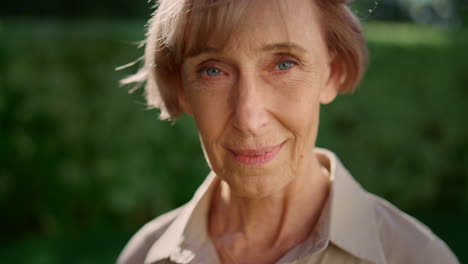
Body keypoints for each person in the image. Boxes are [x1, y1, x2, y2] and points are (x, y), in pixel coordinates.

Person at [117, 0, 459, 263]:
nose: (249, 118)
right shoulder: (144, 255)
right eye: (213, 71)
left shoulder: (415, 256)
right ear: (181, 89)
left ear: (332, 74)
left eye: (284, 64)